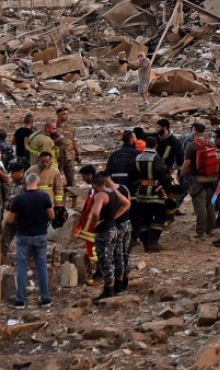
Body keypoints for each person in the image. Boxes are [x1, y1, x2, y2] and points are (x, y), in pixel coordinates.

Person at [6, 171, 54, 308]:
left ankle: (20, 300)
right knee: (41, 266)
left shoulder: (19, 199)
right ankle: (46, 298)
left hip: (23, 236)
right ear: (37, 183)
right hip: (40, 235)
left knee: (22, 267)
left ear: (26, 183)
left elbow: (9, 219)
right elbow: (52, 216)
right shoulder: (44, 197)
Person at [88, 172, 132, 302]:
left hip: (104, 231)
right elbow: (126, 203)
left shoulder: (100, 195)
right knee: (117, 256)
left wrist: (94, 222)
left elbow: (96, 212)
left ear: (95, 185)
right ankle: (118, 285)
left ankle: (109, 289)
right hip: (114, 228)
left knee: (106, 260)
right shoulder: (113, 191)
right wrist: (114, 217)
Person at [182, 123, 220, 237]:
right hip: (212, 178)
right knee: (210, 205)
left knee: (200, 206)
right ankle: (211, 229)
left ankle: (201, 231)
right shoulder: (212, 143)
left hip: (198, 179)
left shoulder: (191, 145)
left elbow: (187, 163)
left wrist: (182, 174)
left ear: (194, 130)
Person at [132, 136, 167, 252]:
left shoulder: (138, 157)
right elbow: (161, 173)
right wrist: (165, 185)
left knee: (144, 219)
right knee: (160, 216)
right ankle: (153, 241)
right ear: (156, 145)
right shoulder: (155, 157)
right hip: (155, 193)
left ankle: (145, 244)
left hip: (141, 193)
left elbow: (133, 174)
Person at [54, 108, 79, 186]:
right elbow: (49, 142)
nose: (66, 116)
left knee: (71, 179)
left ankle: (73, 197)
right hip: (58, 158)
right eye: (64, 114)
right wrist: (58, 140)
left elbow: (74, 141)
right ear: (58, 115)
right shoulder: (53, 128)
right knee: (55, 179)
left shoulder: (71, 128)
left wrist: (78, 154)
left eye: (67, 114)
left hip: (70, 156)